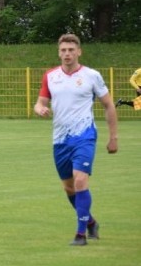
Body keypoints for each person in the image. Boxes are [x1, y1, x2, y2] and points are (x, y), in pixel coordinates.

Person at [33, 34, 118, 246]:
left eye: (71, 50)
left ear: (79, 51)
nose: (67, 54)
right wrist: (40, 109)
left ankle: (80, 235)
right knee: (69, 188)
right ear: (58, 52)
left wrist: (113, 137)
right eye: (63, 50)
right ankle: (89, 221)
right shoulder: (50, 76)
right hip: (60, 140)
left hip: (85, 136)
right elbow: (39, 103)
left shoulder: (92, 76)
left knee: (80, 180)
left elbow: (108, 105)